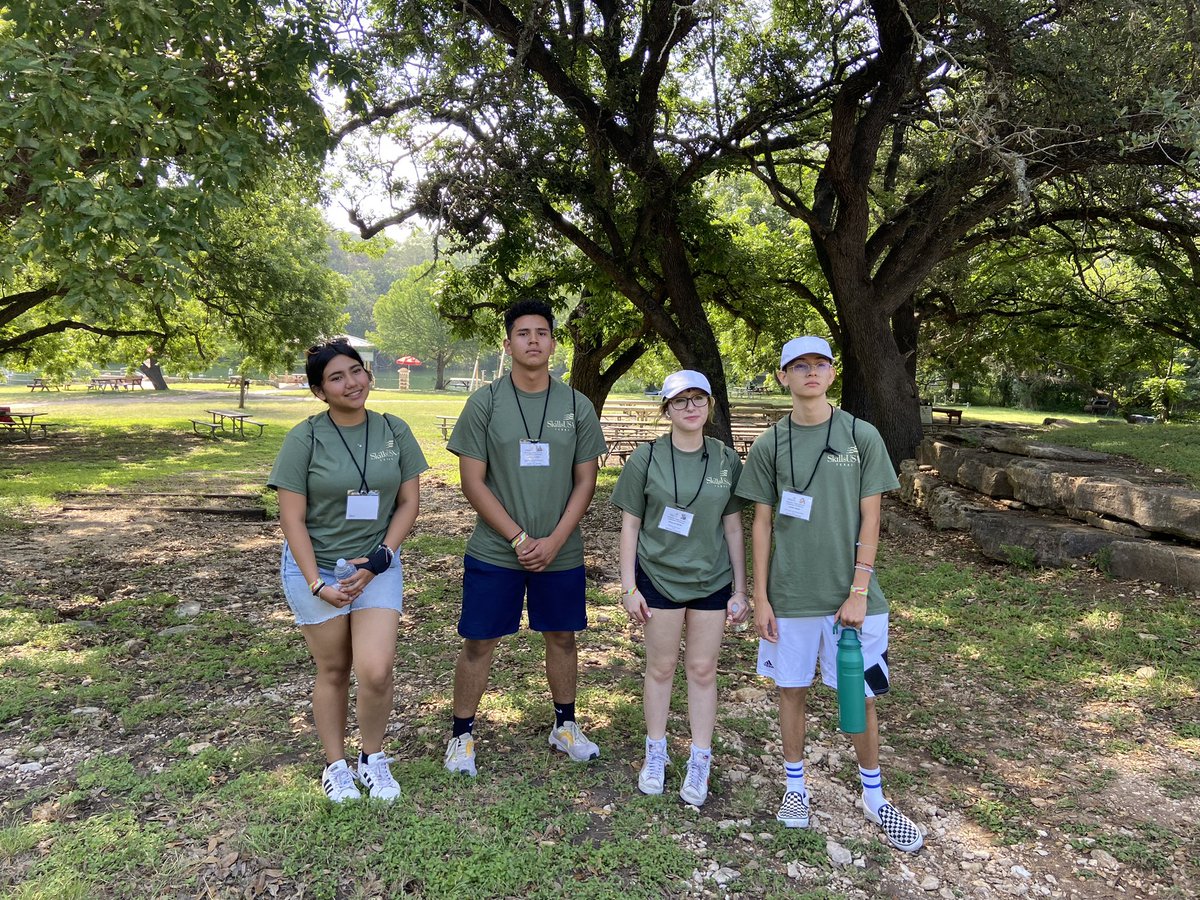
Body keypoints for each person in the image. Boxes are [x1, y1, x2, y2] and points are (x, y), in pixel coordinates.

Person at [734, 336, 923, 853]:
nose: (809, 372)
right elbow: (761, 523)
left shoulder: (861, 435)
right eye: (798, 366)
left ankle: (875, 797)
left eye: (819, 363)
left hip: (851, 598)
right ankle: (796, 789)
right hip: (790, 597)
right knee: (790, 690)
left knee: (859, 696)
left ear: (833, 373)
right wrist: (762, 597)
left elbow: (871, 515)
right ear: (782, 377)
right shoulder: (772, 442)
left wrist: (859, 589)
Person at [444, 299, 608, 776]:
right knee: (479, 640)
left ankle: (565, 726)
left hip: (560, 550)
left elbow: (586, 481)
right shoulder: (485, 402)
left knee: (562, 636)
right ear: (508, 342)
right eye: (522, 333)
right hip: (497, 549)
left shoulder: (576, 405)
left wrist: (555, 539)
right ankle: (462, 736)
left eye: (541, 332)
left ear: (554, 342)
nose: (533, 340)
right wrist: (518, 538)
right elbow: (472, 480)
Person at [268, 340, 427, 803]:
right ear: (319, 391)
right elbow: (291, 518)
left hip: (376, 565)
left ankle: (372, 758)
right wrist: (317, 582)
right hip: (313, 570)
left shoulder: (394, 431)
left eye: (356, 372)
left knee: (376, 671)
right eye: (336, 378)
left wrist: (380, 559)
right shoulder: (305, 438)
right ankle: (335, 765)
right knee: (334, 668)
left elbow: (409, 502)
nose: (351, 383)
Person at [610, 370, 749, 806]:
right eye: (680, 401)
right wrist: (629, 586)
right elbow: (630, 525)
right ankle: (656, 752)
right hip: (658, 579)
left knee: (703, 670)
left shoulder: (725, 460)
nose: (690, 407)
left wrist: (741, 589)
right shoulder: (645, 458)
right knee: (661, 667)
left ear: (710, 406)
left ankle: (700, 758)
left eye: (698, 399)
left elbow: (732, 526)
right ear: (666, 409)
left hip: (711, 580)